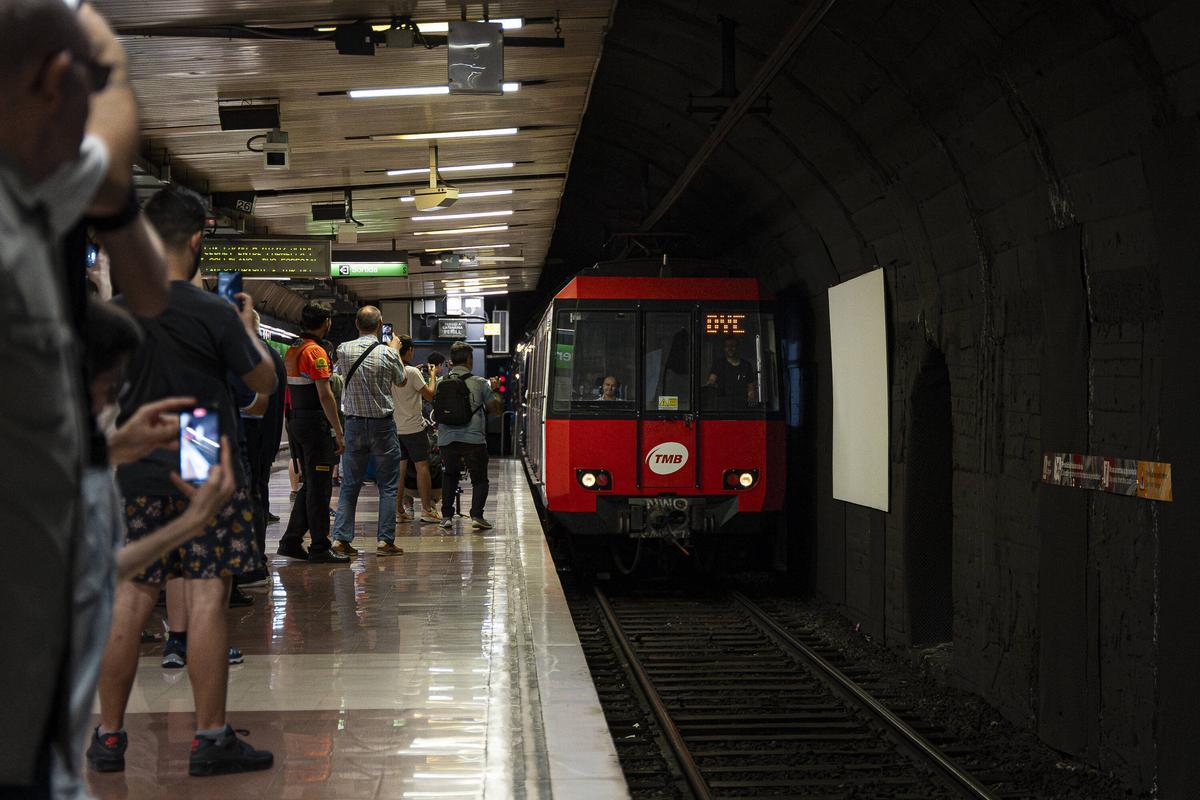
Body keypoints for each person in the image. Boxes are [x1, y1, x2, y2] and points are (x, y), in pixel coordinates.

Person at [0, 1, 169, 792]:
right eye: (95, 81)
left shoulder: (30, 205)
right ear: (57, 80)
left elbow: (144, 273)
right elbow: (109, 157)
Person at [91, 184, 278, 778]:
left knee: (129, 598)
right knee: (204, 594)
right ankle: (209, 738)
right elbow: (265, 381)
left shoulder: (118, 311)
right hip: (198, 446)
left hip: (137, 450)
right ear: (197, 239)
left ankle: (109, 738)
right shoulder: (212, 311)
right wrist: (246, 324)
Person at [330, 306, 408, 557]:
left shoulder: (343, 349)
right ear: (380, 325)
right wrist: (394, 351)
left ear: (356, 323)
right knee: (387, 485)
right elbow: (402, 380)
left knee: (350, 484)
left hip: (353, 424)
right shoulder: (387, 353)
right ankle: (385, 542)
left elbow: (336, 377)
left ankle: (341, 540)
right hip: (382, 426)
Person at [277, 301, 350, 563]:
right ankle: (320, 546)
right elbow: (325, 395)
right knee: (320, 488)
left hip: (297, 420)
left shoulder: (294, 349)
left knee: (310, 485)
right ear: (326, 322)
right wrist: (338, 431)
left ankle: (291, 541)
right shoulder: (315, 352)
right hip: (315, 424)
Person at [240, 311, 287, 586]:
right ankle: (256, 561)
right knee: (258, 496)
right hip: (264, 441)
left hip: (248, 441)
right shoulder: (272, 354)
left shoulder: (247, 355)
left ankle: (250, 566)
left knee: (248, 500)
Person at [436, 342, 502, 531]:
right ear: (468, 359)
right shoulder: (480, 383)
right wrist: (495, 389)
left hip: (447, 439)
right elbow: (495, 410)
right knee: (479, 479)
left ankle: (446, 516)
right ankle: (477, 516)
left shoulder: (441, 382)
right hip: (473, 439)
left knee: (449, 475)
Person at [391, 334, 440, 525]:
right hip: (414, 429)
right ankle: (427, 510)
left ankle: (398, 511)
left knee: (400, 470)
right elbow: (429, 395)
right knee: (422, 467)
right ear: (409, 351)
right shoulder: (411, 372)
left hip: (395, 429)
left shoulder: (390, 371)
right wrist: (433, 377)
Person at [706, 336, 757, 406]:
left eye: (733, 346)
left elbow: (750, 385)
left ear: (737, 348)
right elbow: (712, 380)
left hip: (741, 403)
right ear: (724, 348)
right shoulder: (719, 364)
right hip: (722, 403)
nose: (730, 349)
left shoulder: (746, 365)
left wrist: (751, 397)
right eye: (727, 346)